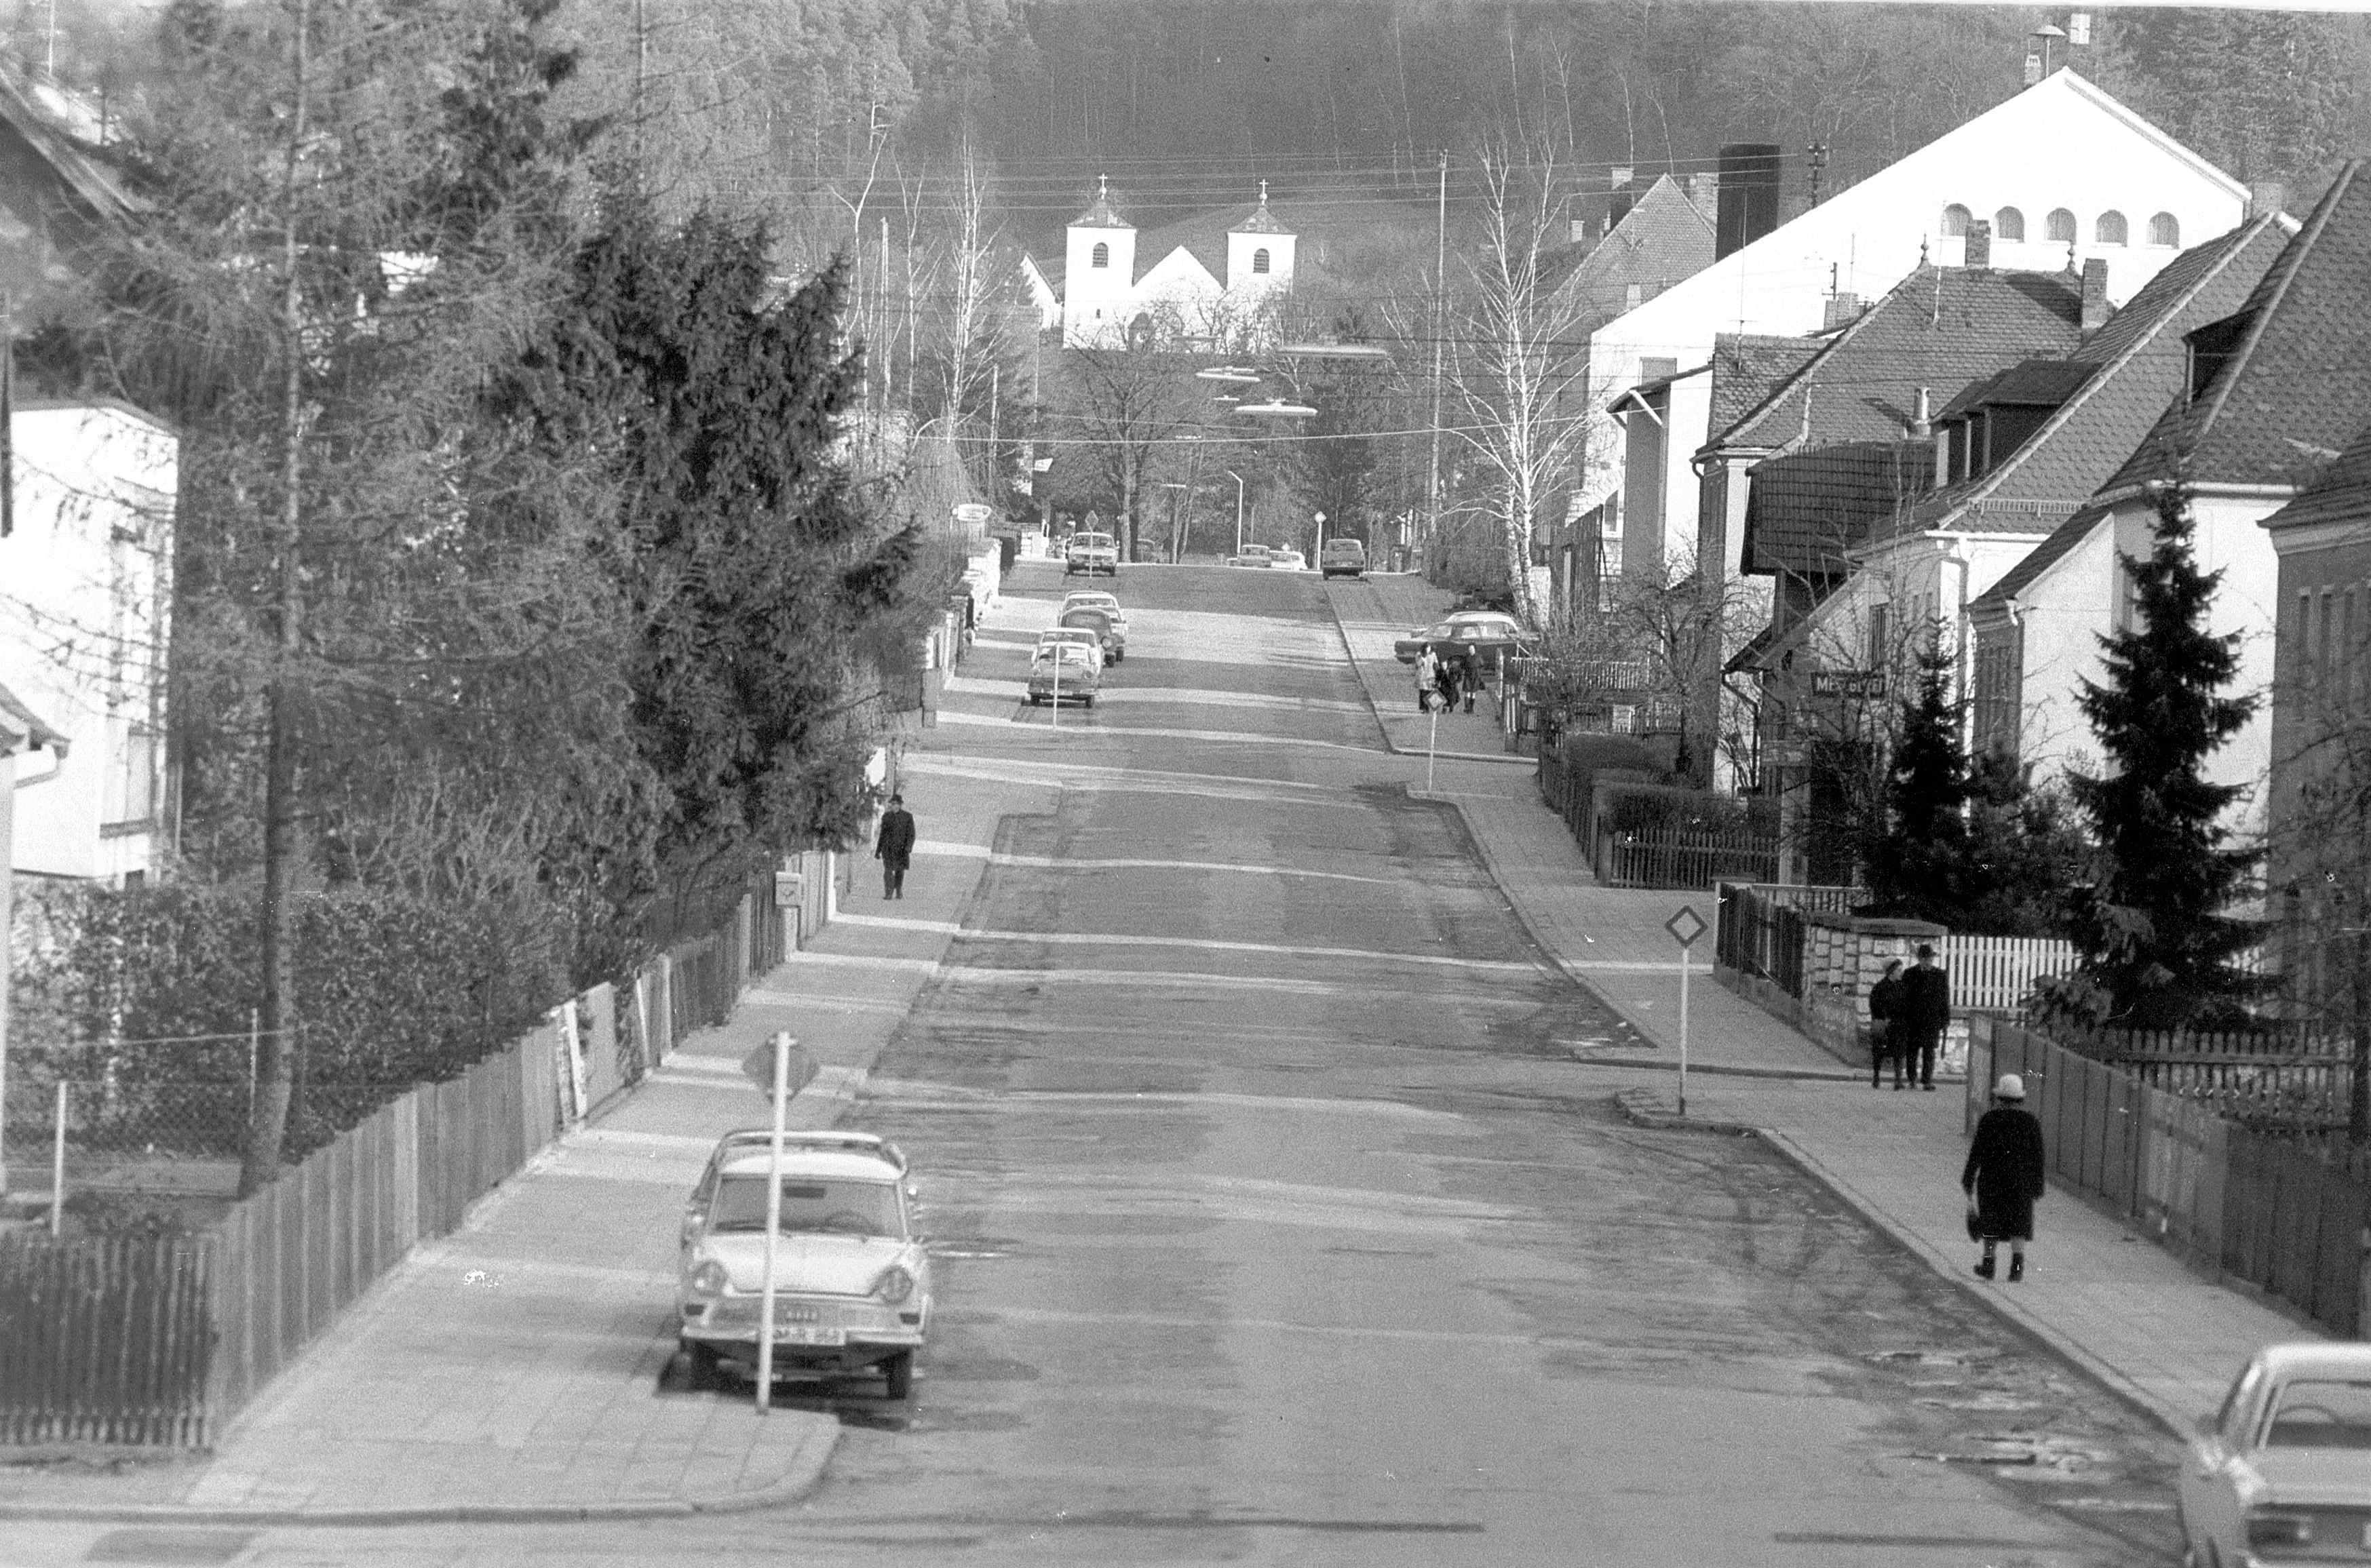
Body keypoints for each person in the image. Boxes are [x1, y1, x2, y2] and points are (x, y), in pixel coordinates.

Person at [1963, 1073, 2046, 1281]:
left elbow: (1977, 1153)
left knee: (1990, 1222)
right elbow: (2038, 1157)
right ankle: (2016, 1269)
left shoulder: (1989, 1120)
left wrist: (1968, 1178)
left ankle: (1988, 1265)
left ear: (1999, 1098)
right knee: (2019, 1224)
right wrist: (2038, 1185)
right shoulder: (2031, 1122)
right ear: (2021, 1099)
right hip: (2021, 1182)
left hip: (1992, 1181)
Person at [1900, 943, 1951, 1091]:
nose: (1929, 962)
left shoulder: (1940, 975)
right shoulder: (1909, 974)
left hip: (1932, 1020)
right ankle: (1912, 1079)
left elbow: (1945, 999)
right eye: (1926, 959)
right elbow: (1903, 998)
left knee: (1929, 1051)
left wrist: (1945, 1019)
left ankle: (1927, 1080)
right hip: (1913, 1020)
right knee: (1912, 1051)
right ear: (1920, 959)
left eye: (1931, 959)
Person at [1868, 958, 1906, 1090]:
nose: (1901, 973)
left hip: (1898, 1025)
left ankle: (1898, 1080)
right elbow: (1874, 1005)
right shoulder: (1879, 987)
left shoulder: (1902, 987)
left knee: (1899, 1052)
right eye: (1899, 970)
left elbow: (1906, 1004)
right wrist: (1883, 1017)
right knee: (1879, 1052)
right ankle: (1876, 1076)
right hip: (1884, 1025)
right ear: (1891, 972)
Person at [874, 793, 916, 899]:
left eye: (896, 804)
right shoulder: (886, 817)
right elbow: (882, 834)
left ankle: (898, 890)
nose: (894, 806)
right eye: (892, 804)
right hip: (888, 849)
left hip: (901, 849)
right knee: (888, 871)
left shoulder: (907, 817)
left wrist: (908, 847)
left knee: (899, 871)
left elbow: (911, 834)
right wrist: (878, 850)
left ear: (900, 805)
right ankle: (889, 892)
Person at [1414, 646, 1440, 712]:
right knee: (1423, 692)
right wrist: (1423, 657)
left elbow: (1436, 664)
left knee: (1430, 692)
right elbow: (1418, 665)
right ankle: (1423, 708)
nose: (1430, 652)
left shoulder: (1433, 654)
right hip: (1422, 676)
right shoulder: (1419, 655)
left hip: (1431, 676)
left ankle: (1429, 707)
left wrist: (1438, 670)